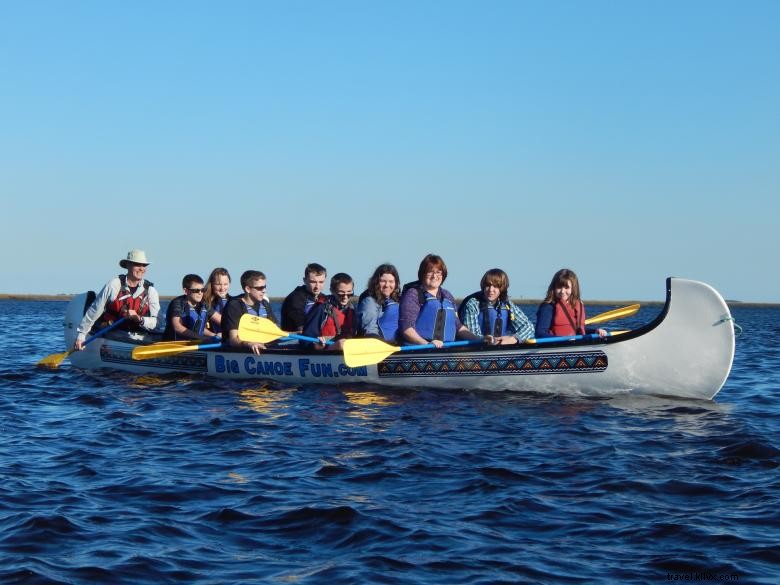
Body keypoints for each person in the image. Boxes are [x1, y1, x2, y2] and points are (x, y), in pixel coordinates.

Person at [74, 249, 161, 350]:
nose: (142, 268)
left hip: (140, 334)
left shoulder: (151, 291)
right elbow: (95, 310)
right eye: (138, 264)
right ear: (128, 265)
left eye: (144, 265)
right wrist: (81, 335)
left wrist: (139, 319)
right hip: (112, 331)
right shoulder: (114, 285)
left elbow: (158, 323)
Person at [398, 254, 484, 348]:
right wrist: (426, 344)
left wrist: (480, 339)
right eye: (430, 272)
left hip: (445, 349)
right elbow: (406, 328)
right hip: (420, 349)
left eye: (438, 272)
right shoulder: (413, 294)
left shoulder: (447, 296)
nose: (434, 276)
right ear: (422, 274)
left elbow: (458, 326)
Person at [458, 268, 535, 345]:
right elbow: (472, 335)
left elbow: (529, 327)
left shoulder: (508, 305)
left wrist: (514, 339)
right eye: (488, 285)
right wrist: (487, 340)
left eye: (495, 286)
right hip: (477, 350)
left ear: (502, 288)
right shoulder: (472, 304)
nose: (491, 290)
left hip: (500, 350)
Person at [535, 268, 607, 338]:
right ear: (553, 288)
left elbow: (578, 330)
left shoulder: (576, 305)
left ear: (573, 289)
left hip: (574, 344)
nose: (562, 291)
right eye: (559, 287)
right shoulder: (548, 307)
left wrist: (595, 331)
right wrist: (563, 341)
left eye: (567, 287)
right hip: (556, 346)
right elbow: (540, 333)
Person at [221, 270, 277, 354]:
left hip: (263, 346)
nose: (264, 290)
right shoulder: (234, 306)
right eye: (259, 288)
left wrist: (297, 333)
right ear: (248, 289)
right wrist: (249, 344)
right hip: (238, 350)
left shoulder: (265, 304)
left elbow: (275, 331)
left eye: (265, 287)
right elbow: (233, 339)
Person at [302, 272, 356, 349]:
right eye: (341, 293)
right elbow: (305, 341)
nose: (345, 297)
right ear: (332, 291)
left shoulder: (351, 309)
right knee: (341, 345)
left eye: (349, 293)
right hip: (325, 352)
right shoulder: (321, 308)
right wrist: (316, 345)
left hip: (347, 350)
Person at [162, 274, 219, 341]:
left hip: (195, 343)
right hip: (175, 344)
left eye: (203, 290)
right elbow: (177, 327)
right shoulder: (177, 303)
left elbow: (220, 320)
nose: (200, 293)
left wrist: (215, 335)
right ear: (186, 291)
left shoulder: (204, 304)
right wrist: (202, 338)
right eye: (196, 290)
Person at [355, 263, 401, 342]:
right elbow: (370, 328)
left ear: (396, 283)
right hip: (375, 343)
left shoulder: (396, 299)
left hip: (395, 344)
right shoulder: (369, 301)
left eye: (391, 281)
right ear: (376, 282)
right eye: (383, 281)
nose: (387, 285)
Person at [280, 262, 328, 333]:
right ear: (305, 280)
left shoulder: (324, 298)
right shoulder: (295, 298)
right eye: (313, 282)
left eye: (321, 282)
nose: (317, 286)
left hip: (318, 337)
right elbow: (301, 326)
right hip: (294, 340)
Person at [204, 267, 232, 335]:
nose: (222, 288)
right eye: (218, 284)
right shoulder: (203, 302)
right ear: (211, 284)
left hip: (230, 340)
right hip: (210, 341)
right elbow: (197, 328)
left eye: (225, 284)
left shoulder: (234, 301)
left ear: (229, 284)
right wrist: (214, 335)